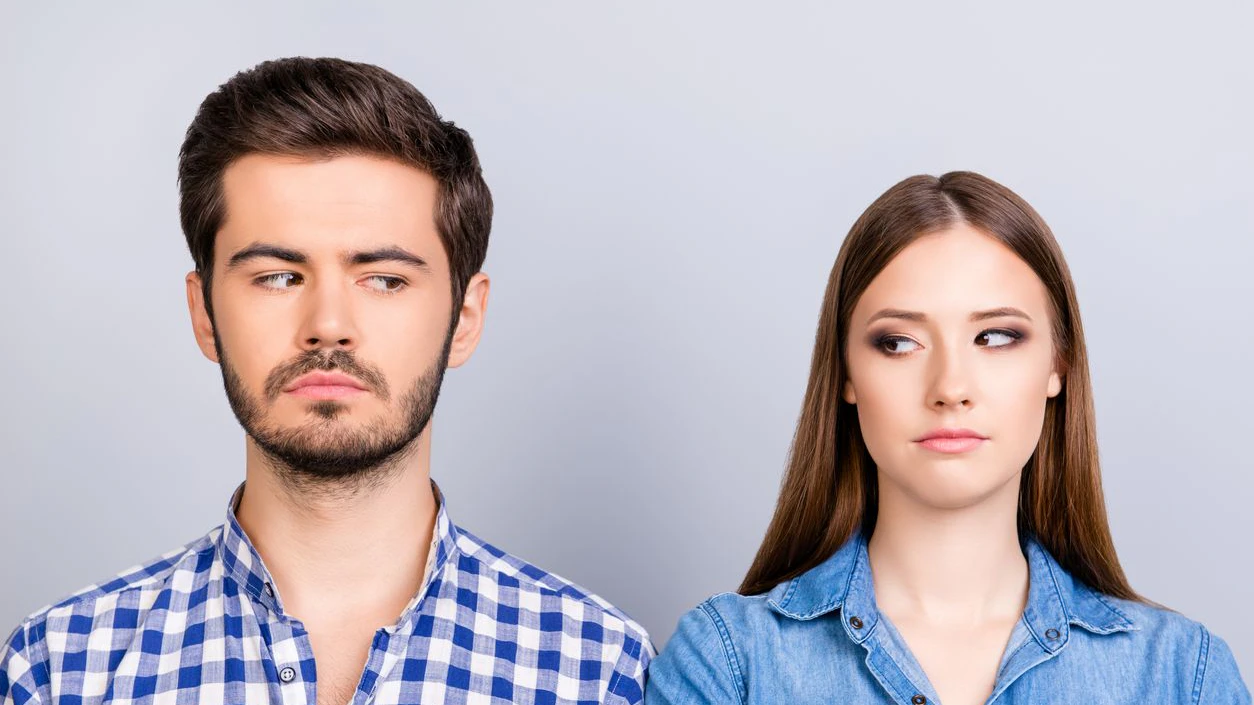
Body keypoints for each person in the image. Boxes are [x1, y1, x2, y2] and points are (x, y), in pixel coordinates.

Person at [0, 57, 651, 705]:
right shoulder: (61, 670)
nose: (330, 326)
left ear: (464, 319)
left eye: (385, 279)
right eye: (279, 276)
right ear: (204, 314)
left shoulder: (598, 669)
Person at [646, 171, 1249, 704]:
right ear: (848, 374)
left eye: (995, 337)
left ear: (1057, 367)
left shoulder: (1180, 676)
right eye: (899, 342)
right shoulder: (729, 662)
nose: (950, 387)